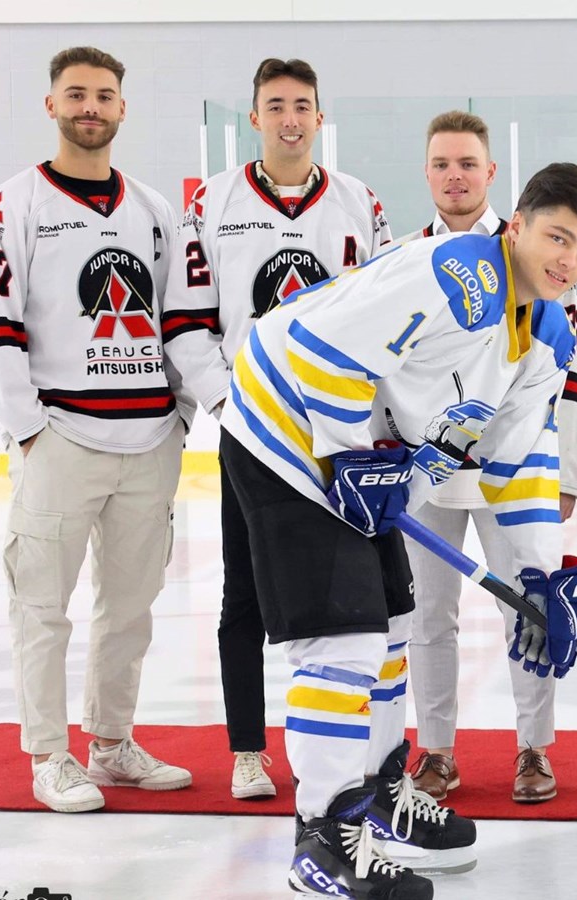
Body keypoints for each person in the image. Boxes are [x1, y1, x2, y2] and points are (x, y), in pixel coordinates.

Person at [220, 162, 577, 895]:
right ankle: (325, 836)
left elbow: (512, 460)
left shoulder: (549, 337)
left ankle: (377, 796)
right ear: (517, 225)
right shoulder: (457, 275)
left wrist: (538, 580)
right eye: (558, 237)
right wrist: (347, 457)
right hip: (284, 428)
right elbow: (321, 349)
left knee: (395, 625)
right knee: (342, 638)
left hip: (366, 454)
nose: (569, 261)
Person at [0, 46, 191, 814]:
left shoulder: (155, 212)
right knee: (42, 608)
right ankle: (49, 755)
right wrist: (31, 432)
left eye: (103, 95)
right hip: (60, 438)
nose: (90, 106)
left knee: (129, 609)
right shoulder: (10, 205)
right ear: (51, 106)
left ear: (123, 109)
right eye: (75, 94)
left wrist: (179, 419)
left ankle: (112, 742)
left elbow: (183, 324)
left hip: (147, 443)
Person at [164, 58, 392, 801]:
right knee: (246, 592)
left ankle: (356, 747)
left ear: (319, 117)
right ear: (254, 116)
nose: (290, 117)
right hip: (255, 436)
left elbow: (386, 321)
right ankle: (246, 750)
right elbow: (187, 320)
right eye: (275, 105)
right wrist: (230, 405)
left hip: (337, 431)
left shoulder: (360, 201)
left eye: (302, 105)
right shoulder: (212, 201)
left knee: (353, 591)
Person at [399, 110, 577, 804]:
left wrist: (569, 475)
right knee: (429, 618)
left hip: (519, 474)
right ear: (428, 173)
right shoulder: (404, 261)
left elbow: (573, 374)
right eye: (443, 163)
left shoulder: (535, 255)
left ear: (491, 174)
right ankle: (437, 752)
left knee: (531, 611)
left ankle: (534, 750)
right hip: (427, 477)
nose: (456, 175)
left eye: (468, 164)